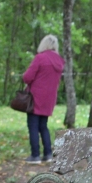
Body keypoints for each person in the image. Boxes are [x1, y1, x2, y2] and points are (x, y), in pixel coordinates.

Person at [22, 34, 65, 164]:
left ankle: (35, 155)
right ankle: (48, 154)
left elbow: (27, 77)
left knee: (33, 126)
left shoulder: (40, 58)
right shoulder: (59, 61)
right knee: (43, 126)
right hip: (50, 98)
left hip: (35, 97)